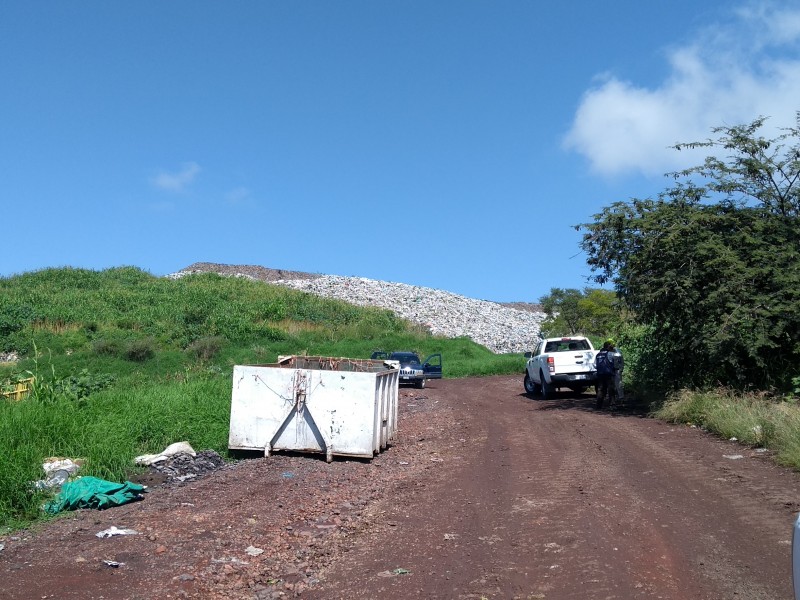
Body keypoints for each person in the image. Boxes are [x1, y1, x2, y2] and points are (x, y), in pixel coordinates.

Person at [594, 341, 615, 409]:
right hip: (608, 373)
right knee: (610, 389)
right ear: (608, 346)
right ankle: (611, 404)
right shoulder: (610, 354)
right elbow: (614, 362)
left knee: (601, 389)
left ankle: (598, 405)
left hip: (600, 374)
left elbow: (594, 365)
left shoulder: (597, 354)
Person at [606, 338, 624, 404]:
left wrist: (621, 368)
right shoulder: (607, 352)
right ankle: (612, 400)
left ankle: (621, 398)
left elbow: (621, 360)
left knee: (618, 385)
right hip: (611, 371)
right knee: (611, 386)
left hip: (617, 370)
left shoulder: (617, 351)